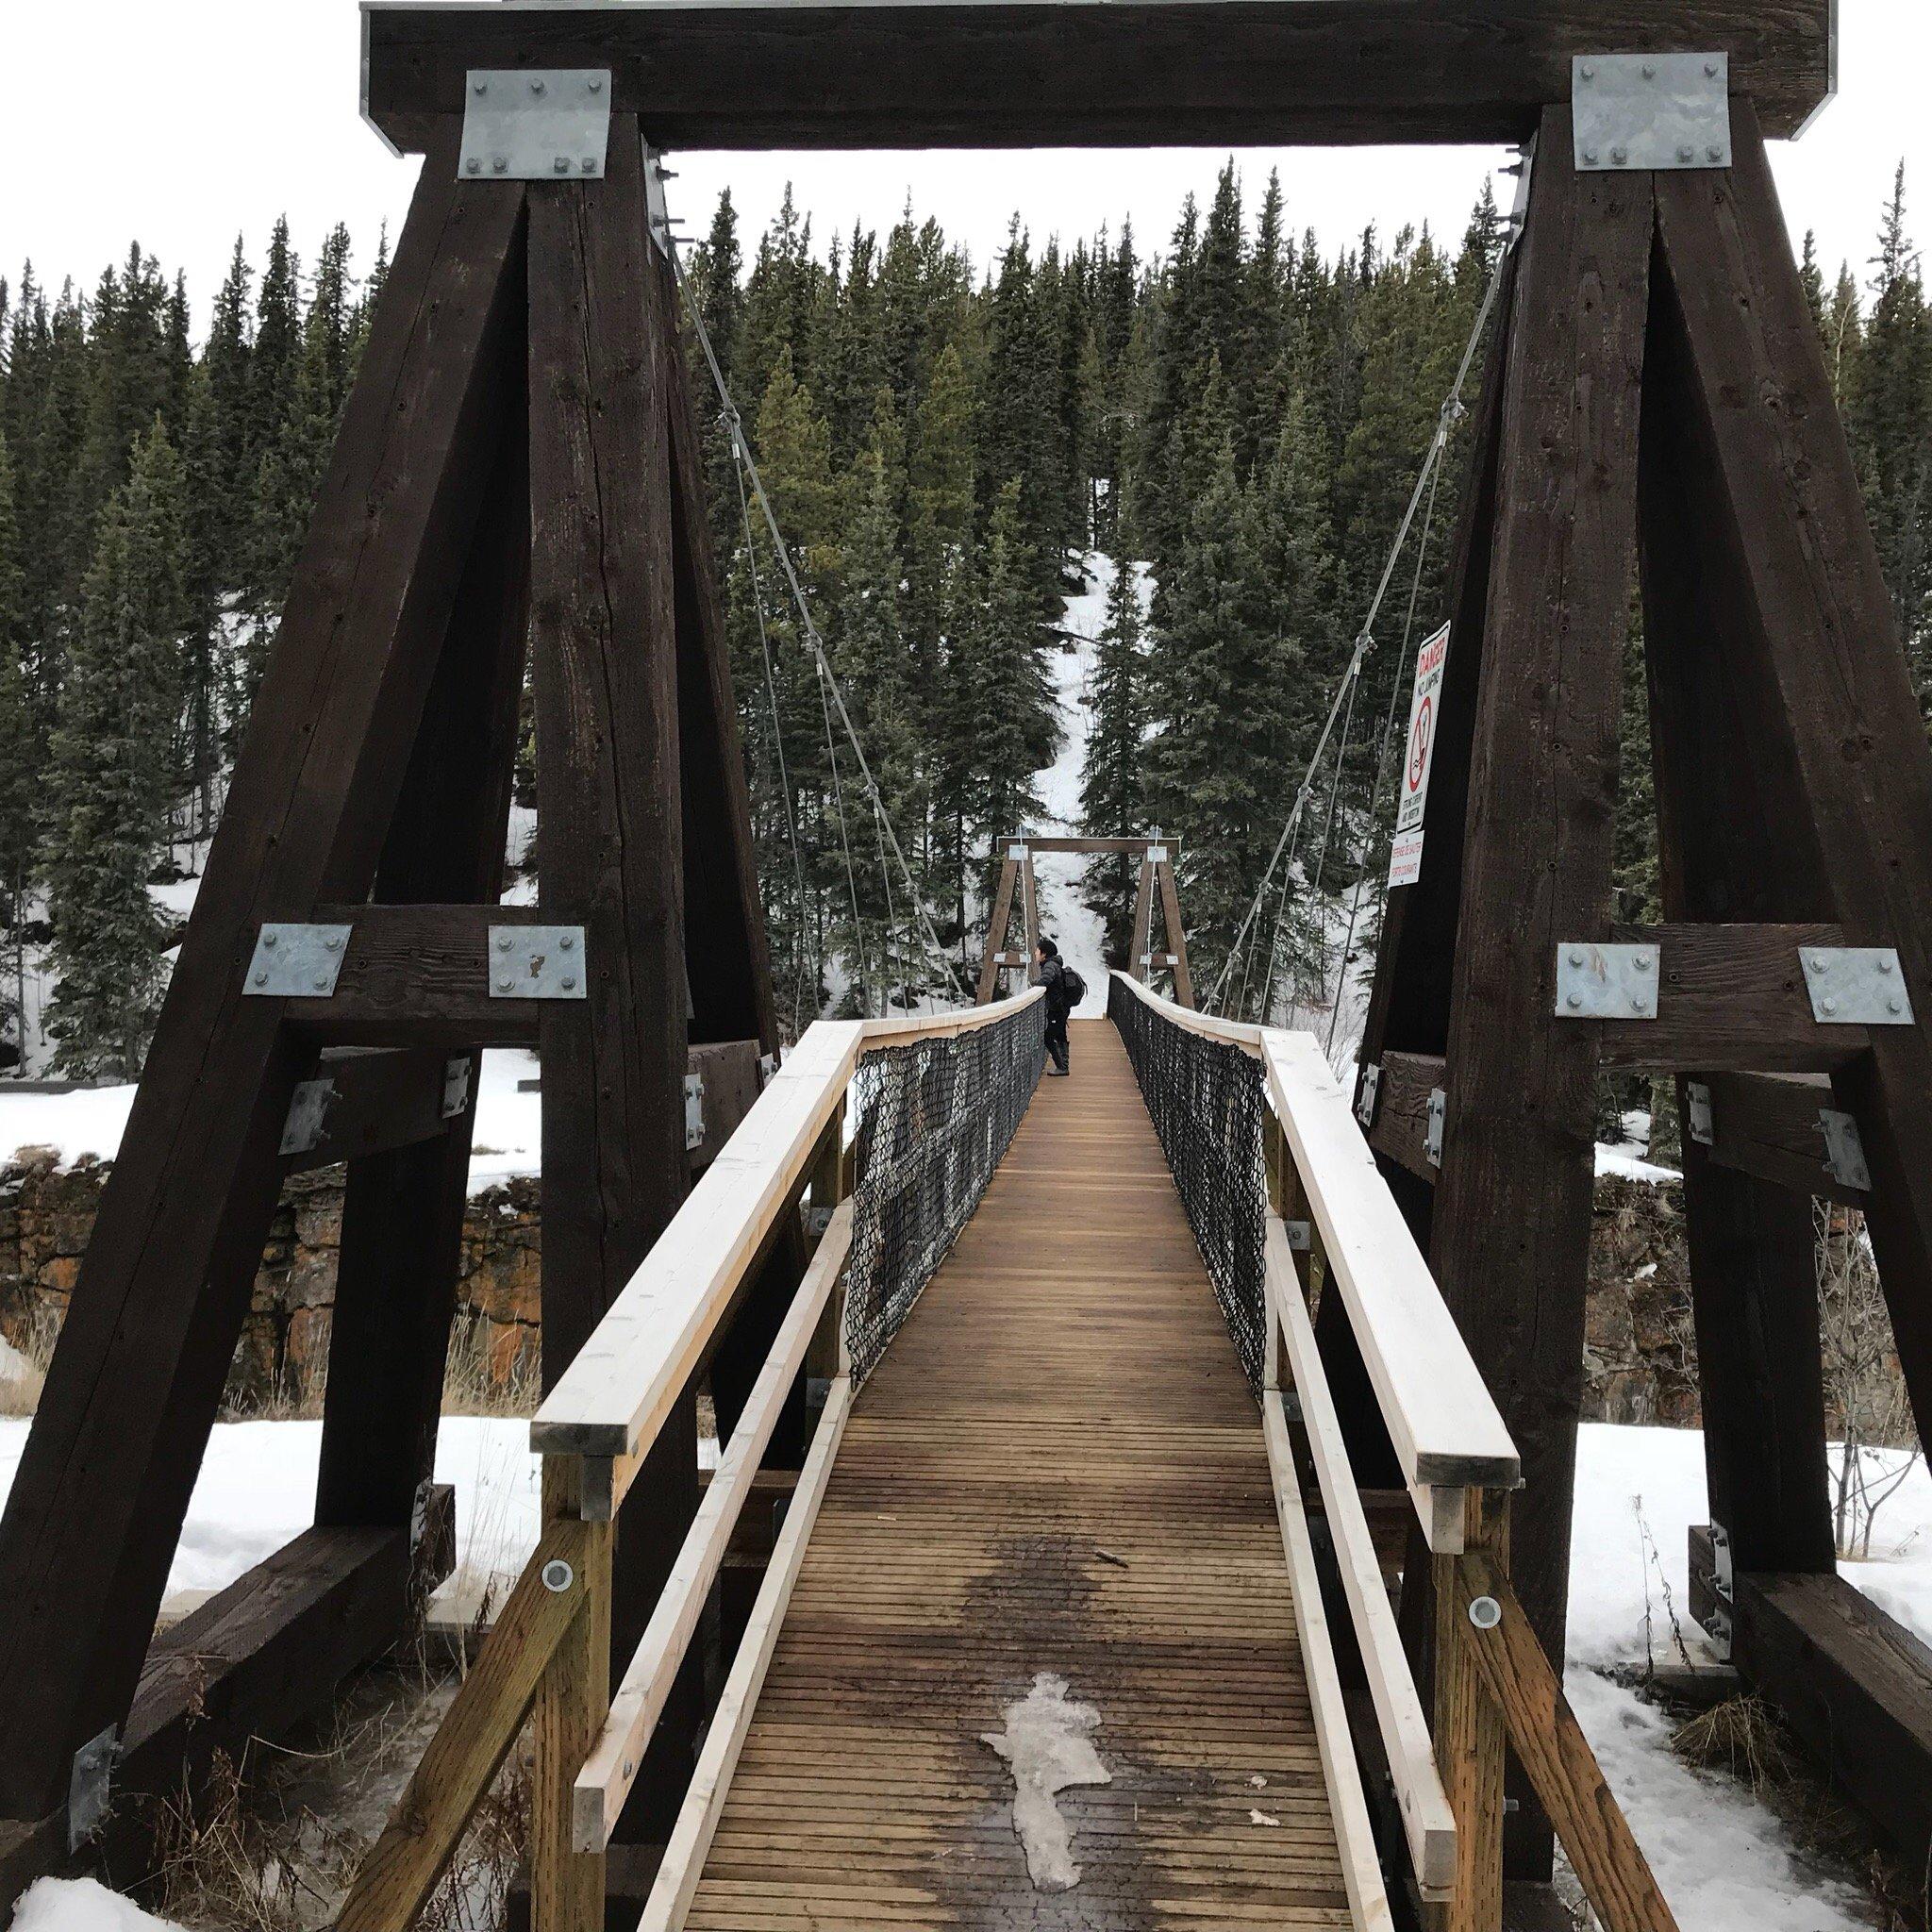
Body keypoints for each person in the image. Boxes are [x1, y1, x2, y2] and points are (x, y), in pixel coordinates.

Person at [1037, 937, 1072, 1075]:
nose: (1035, 953)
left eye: (1037, 951)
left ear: (1044, 954)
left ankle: (1062, 1067)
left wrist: (1034, 984)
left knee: (1048, 1037)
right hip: (1060, 1007)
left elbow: (1046, 980)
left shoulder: (1050, 965)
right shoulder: (1054, 964)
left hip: (1056, 1008)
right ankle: (1064, 1066)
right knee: (1061, 1035)